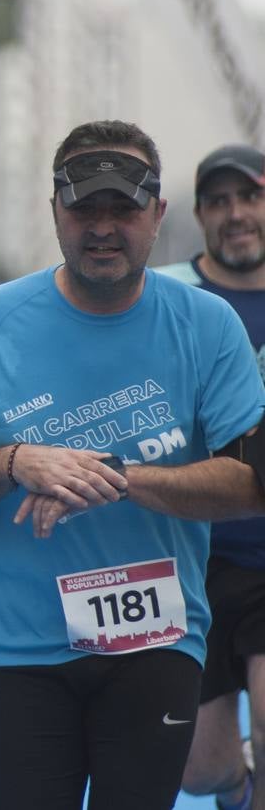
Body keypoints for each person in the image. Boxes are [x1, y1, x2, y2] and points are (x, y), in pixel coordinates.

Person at [0, 120, 265, 810]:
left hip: (155, 637)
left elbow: (251, 484)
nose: (103, 228)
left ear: (158, 215)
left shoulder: (208, 324)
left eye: (124, 209)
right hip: (18, 646)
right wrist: (17, 461)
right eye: (84, 208)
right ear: (54, 211)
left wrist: (115, 478)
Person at [162, 145, 265, 810]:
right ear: (200, 215)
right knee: (199, 771)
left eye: (250, 197)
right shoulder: (169, 295)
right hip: (189, 561)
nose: (237, 214)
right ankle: (237, 784)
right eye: (220, 201)